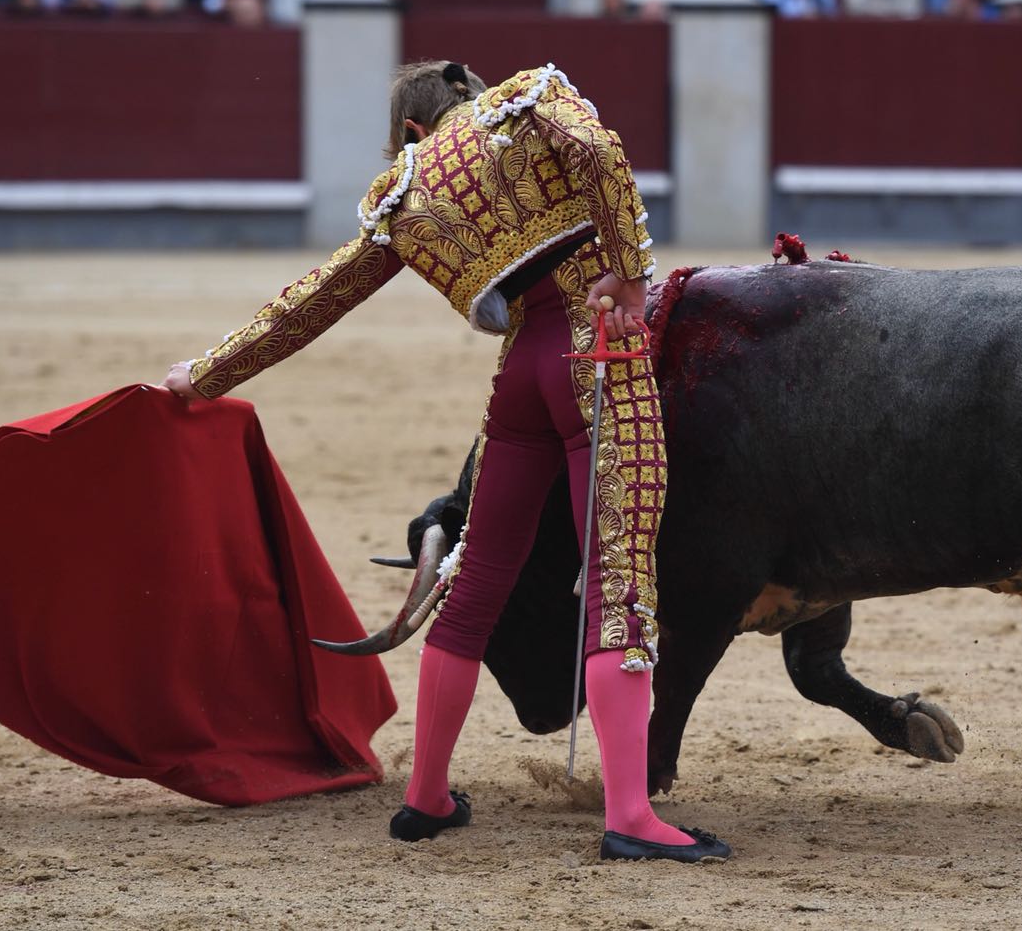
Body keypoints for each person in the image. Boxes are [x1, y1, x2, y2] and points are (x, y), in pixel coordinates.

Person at [161, 61, 731, 865]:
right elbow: (601, 155)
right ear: (464, 100)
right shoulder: (525, 101)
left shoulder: (403, 192)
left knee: (475, 587)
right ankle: (631, 815)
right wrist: (630, 277)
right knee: (619, 580)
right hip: (595, 351)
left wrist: (204, 373)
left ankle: (426, 795)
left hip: (520, 379)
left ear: (412, 134)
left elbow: (313, 301)